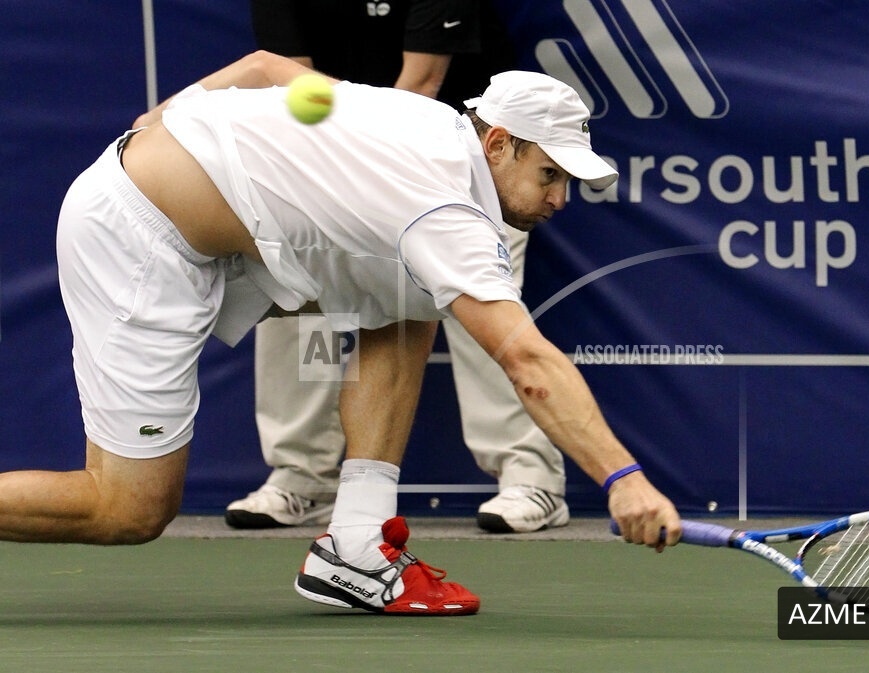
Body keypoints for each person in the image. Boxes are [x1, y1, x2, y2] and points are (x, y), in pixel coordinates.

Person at [8, 51, 681, 615]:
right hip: (137, 239)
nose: (560, 199)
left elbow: (265, 67)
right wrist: (623, 479)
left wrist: (162, 117)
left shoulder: (422, 118)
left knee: (413, 296)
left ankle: (355, 545)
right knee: (128, 509)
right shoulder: (445, 212)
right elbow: (528, 363)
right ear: (498, 144)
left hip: (216, 235)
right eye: (550, 174)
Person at [228, 0, 571, 534]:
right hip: (338, 159)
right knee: (303, 301)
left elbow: (422, 82)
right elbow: (289, 83)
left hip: (476, 170)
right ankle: (303, 476)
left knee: (483, 315)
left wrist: (363, 176)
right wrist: (336, 185)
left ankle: (530, 477)